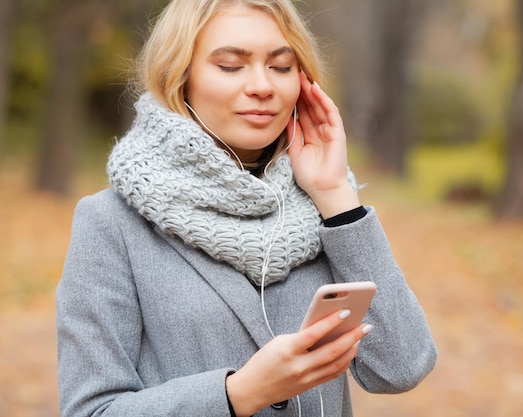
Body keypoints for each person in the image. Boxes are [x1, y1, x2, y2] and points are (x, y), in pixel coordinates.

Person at [56, 1, 437, 416]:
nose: (262, 86)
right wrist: (238, 394)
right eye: (231, 66)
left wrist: (336, 198)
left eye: (280, 66)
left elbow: (402, 368)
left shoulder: (323, 206)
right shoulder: (111, 224)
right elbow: (90, 410)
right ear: (180, 78)